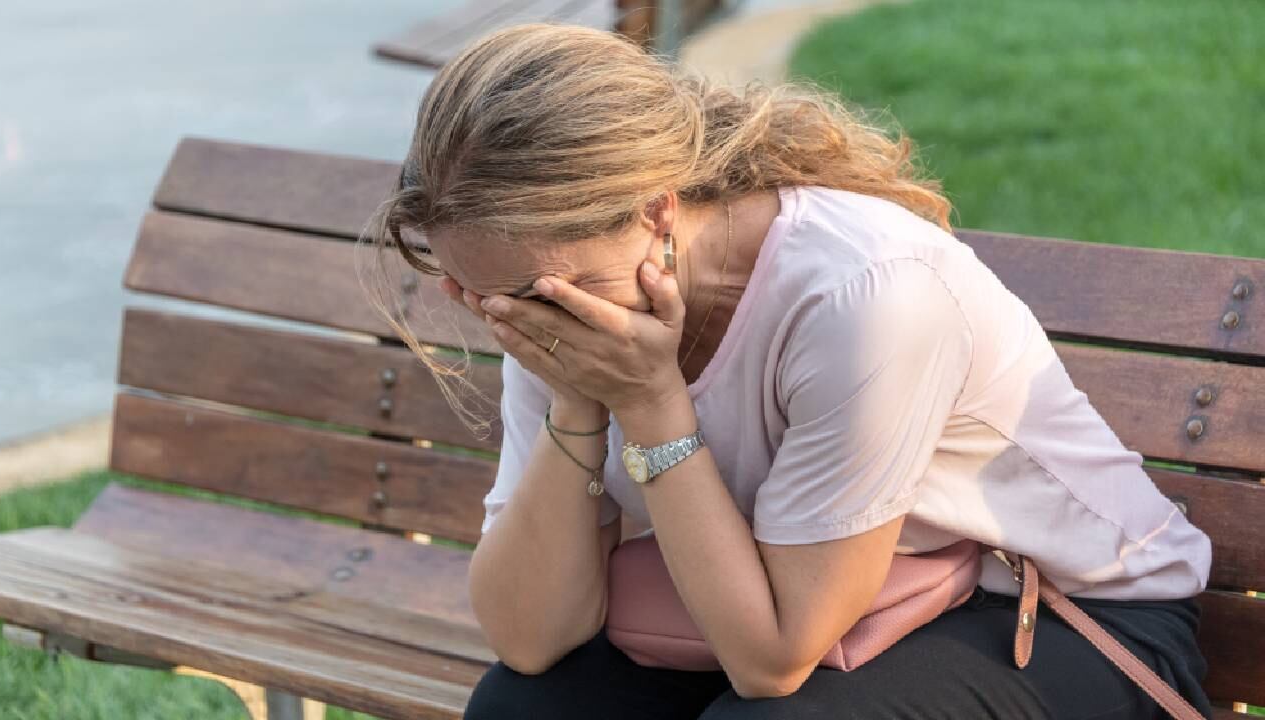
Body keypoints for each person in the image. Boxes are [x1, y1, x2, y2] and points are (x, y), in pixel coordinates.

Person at [362, 21, 1214, 719]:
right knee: (526, 711)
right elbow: (528, 639)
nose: (513, 320)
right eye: (478, 297)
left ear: (657, 209)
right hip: (808, 605)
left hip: (1069, 619)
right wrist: (579, 401)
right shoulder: (557, 295)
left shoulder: (866, 292)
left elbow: (772, 662)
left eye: (541, 294)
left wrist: (654, 405)